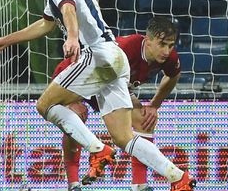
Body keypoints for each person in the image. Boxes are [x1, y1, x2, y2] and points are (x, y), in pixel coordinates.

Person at [0, 0, 196, 191]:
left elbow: (68, 9)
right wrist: (5, 40)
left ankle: (98, 150)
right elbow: (46, 24)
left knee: (45, 105)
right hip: (115, 59)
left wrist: (72, 37)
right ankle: (177, 177)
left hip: (98, 55)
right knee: (125, 138)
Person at [56, 16, 180, 191]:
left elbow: (173, 75)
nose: (166, 51)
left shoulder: (169, 58)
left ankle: (139, 185)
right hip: (79, 79)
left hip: (109, 85)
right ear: (148, 40)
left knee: (144, 117)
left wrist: (154, 105)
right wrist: (74, 100)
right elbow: (80, 67)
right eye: (162, 44)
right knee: (74, 117)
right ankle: (73, 184)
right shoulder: (125, 48)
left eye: (170, 45)